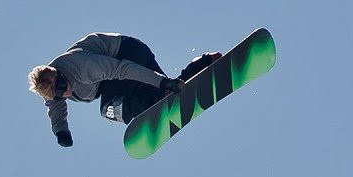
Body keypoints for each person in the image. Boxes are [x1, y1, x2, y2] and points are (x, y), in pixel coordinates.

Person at [28, 33, 221, 147]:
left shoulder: (83, 66)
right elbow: (55, 110)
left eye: (62, 87)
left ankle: (158, 96)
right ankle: (206, 62)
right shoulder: (53, 91)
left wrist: (162, 82)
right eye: (58, 95)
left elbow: (123, 69)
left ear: (59, 74)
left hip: (128, 55)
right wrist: (61, 131)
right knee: (166, 93)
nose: (64, 94)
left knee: (110, 110)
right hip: (117, 77)